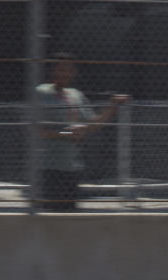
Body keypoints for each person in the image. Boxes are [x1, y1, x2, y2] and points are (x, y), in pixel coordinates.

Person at [36, 52, 129, 211]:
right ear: (52, 71)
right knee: (49, 215)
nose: (64, 73)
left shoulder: (76, 95)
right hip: (49, 166)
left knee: (69, 213)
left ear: (73, 72)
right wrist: (66, 135)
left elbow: (93, 124)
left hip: (72, 167)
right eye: (60, 69)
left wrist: (113, 106)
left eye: (68, 70)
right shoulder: (42, 92)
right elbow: (36, 129)